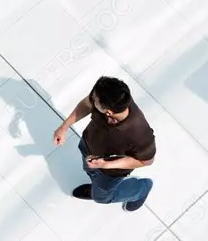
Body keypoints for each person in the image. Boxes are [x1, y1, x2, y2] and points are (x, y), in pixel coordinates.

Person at [53, 77, 156, 211]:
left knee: (102, 198)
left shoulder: (139, 134)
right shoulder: (112, 100)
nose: (91, 99)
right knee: (90, 171)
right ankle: (96, 185)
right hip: (88, 148)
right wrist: (64, 127)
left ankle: (141, 189)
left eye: (94, 100)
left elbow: (146, 161)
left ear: (108, 112)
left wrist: (106, 164)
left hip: (111, 171)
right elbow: (86, 104)